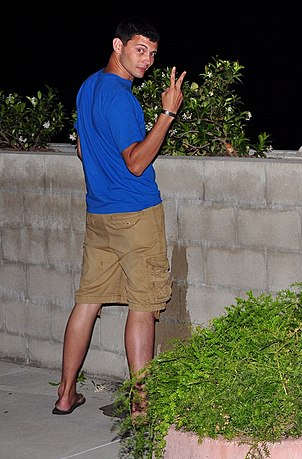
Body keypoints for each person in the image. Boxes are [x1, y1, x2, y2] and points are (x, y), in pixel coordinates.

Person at [52, 17, 186, 415]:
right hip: (136, 215)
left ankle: (65, 394)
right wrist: (166, 113)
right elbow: (136, 163)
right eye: (139, 49)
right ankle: (142, 407)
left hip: (99, 215)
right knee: (143, 308)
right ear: (118, 45)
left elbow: (82, 150)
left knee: (87, 303)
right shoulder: (122, 98)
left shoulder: (87, 86)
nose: (146, 60)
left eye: (152, 54)